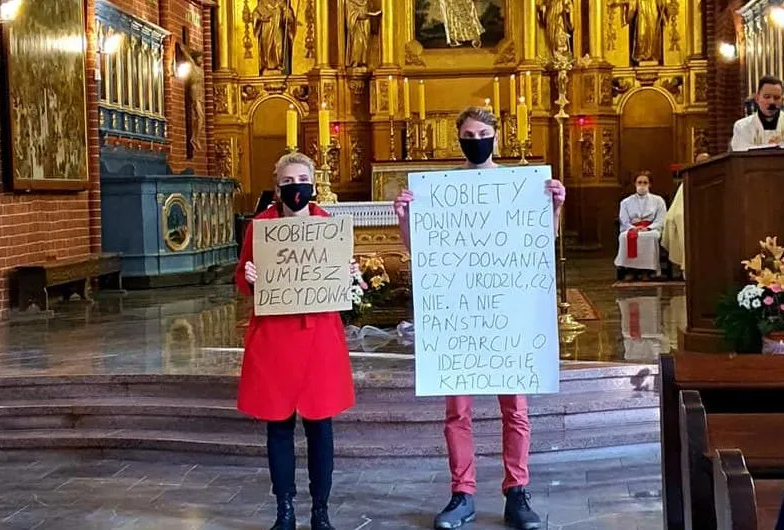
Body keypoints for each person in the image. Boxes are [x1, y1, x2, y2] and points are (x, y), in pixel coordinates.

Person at [393, 106, 567, 530]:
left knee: (516, 410)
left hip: (508, 312)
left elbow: (539, 241)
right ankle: (462, 493)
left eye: (483, 132)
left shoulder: (519, 187)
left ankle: (517, 491)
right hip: (460, 315)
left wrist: (555, 206)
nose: (476, 139)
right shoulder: (442, 191)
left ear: (496, 136)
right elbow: (424, 255)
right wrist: (405, 219)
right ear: (459, 139)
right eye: (468, 134)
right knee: (458, 411)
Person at [235, 152, 355, 530]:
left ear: (313, 183)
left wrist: (347, 271)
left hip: (319, 340)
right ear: (277, 187)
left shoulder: (328, 226)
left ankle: (321, 509)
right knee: (278, 425)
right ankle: (284, 510)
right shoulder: (261, 227)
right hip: (275, 339)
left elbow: (339, 279)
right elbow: (241, 279)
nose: (295, 187)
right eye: (288, 182)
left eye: (301, 179)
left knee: (321, 426)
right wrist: (250, 275)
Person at [731, 75, 784, 151]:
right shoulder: (742, 127)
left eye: (776, 98)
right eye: (767, 97)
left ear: (782, 100)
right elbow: (740, 157)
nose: (771, 102)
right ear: (757, 98)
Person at [661, 152, 709, 275]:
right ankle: (689, 268)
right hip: (690, 218)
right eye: (699, 163)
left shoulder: (717, 178)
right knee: (680, 219)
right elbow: (677, 209)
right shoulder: (687, 182)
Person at [615, 171, 667, 281]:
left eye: (645, 182)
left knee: (650, 237)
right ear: (635, 184)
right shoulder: (626, 202)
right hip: (632, 227)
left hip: (650, 228)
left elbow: (661, 218)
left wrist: (649, 228)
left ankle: (646, 271)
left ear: (649, 184)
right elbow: (624, 220)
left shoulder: (658, 200)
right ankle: (630, 269)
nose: (642, 185)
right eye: (639, 182)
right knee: (624, 237)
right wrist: (633, 228)